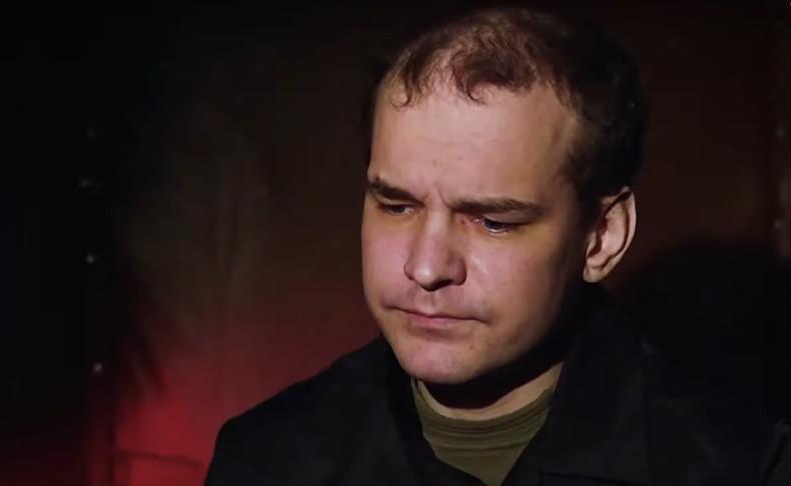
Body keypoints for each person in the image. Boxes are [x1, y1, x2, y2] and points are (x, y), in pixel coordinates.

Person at [204, 7, 790, 485]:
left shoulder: (741, 468)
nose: (425, 267)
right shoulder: (267, 459)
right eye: (397, 205)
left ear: (601, 236)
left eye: (492, 222)